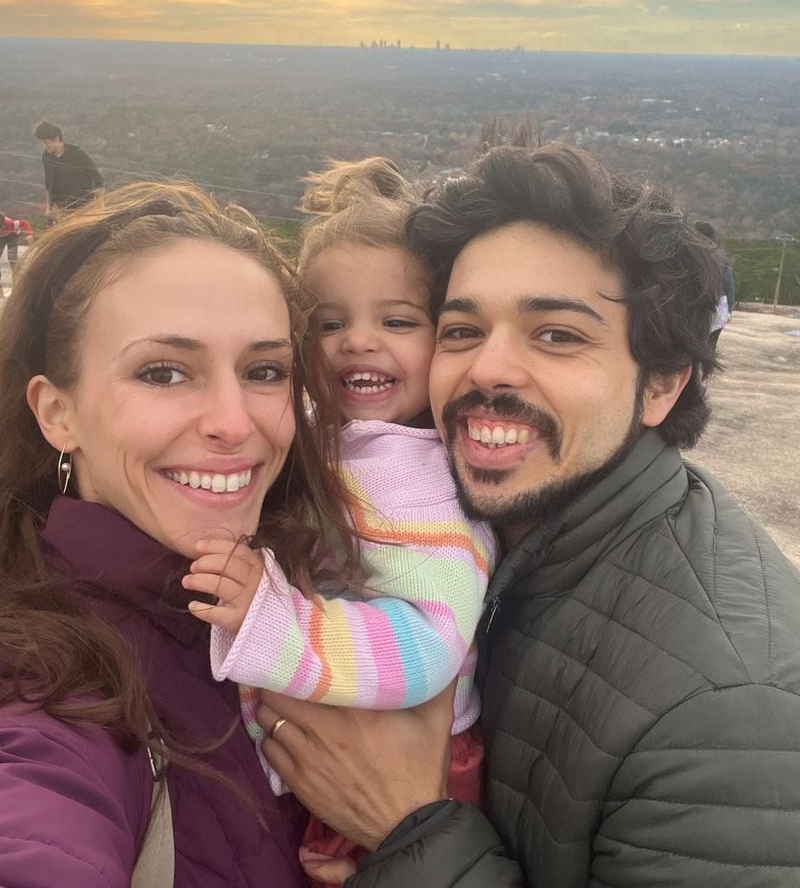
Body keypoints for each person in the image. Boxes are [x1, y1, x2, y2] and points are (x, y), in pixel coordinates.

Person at [255, 143, 800, 886]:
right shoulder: (478, 525)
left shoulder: (731, 717)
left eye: (557, 334)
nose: (488, 368)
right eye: (461, 329)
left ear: (662, 385)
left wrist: (410, 830)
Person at [0, 181, 358, 886]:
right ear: (57, 412)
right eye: (164, 372)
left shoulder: (308, 600)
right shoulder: (47, 683)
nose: (232, 420)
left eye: (263, 370)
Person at [187, 159, 495, 885]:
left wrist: (276, 620)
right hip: (339, 731)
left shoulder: (413, 479)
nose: (358, 340)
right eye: (330, 322)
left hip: (408, 765)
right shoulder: (345, 435)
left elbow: (429, 644)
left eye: (396, 320)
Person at [34, 120, 104, 223]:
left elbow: (98, 180)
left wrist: (100, 206)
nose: (44, 146)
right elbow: (48, 184)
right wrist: (49, 207)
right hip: (62, 210)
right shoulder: (47, 156)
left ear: (57, 139)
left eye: (46, 142)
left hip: (84, 207)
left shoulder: (78, 155)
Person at [696, 220, 736, 351]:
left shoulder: (692, 252)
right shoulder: (721, 254)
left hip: (698, 304)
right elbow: (729, 284)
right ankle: (707, 370)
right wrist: (729, 309)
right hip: (720, 305)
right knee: (711, 345)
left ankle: (695, 370)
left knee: (694, 346)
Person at [0, 210, 33, 297]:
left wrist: (29, 236)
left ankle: (17, 288)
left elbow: (24, 223)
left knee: (13, 259)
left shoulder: (11, 223)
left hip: (11, 237)